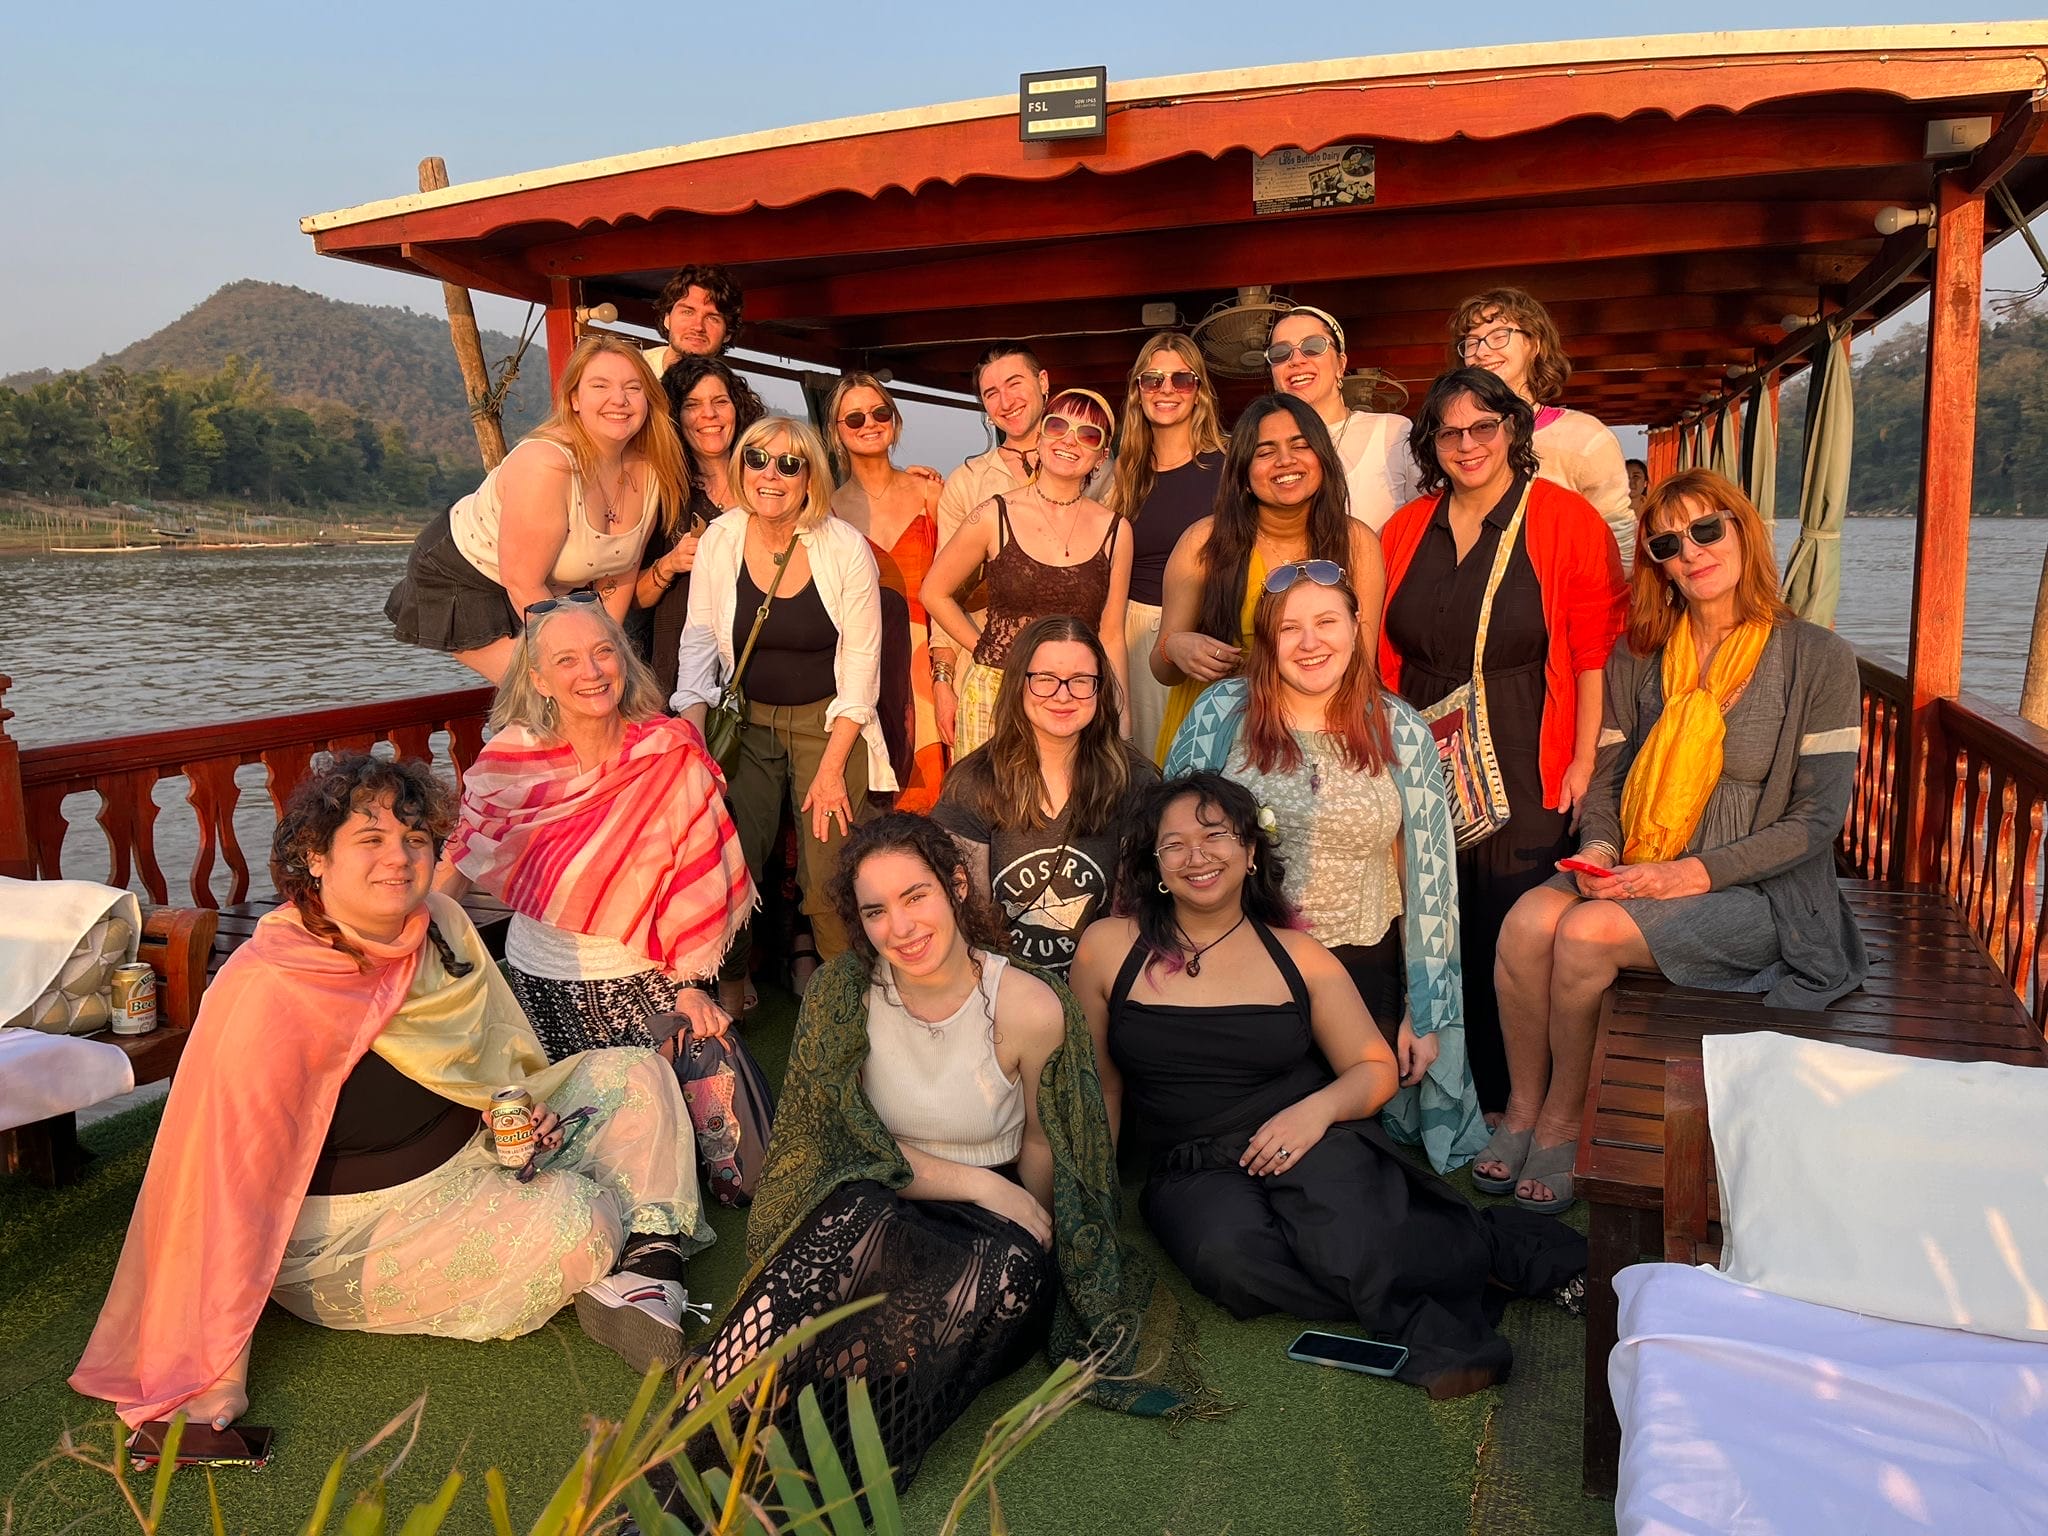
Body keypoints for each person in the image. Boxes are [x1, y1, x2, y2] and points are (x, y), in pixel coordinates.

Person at [70, 753, 717, 1435]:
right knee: (576, 1220)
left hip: (473, 1154)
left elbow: (495, 1064)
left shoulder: (439, 922)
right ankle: (623, 1243)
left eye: (414, 839)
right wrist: (216, 1372)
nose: (400, 858)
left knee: (635, 1073)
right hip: (356, 1229)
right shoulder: (272, 985)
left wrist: (520, 1117)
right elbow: (226, 1180)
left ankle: (650, 1264)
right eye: (370, 839)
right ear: (314, 857)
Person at [680, 813, 1206, 1494]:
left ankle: (818, 1481)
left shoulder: (1026, 1004)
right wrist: (977, 1185)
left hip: (984, 1235)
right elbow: (832, 1146)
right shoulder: (842, 994)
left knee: (1005, 1270)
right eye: (875, 910)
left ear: (957, 885)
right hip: (882, 1198)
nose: (900, 927)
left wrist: (1027, 1220)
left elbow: (1048, 1144)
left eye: (915, 895)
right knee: (855, 1212)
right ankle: (712, 1410)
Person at [1068, 775, 1585, 1401]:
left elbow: (1372, 1068)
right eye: (1173, 844)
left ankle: (1469, 1265)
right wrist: (1092, 1195)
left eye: (1215, 836)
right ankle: (1474, 1260)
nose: (1196, 856)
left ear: (1251, 851)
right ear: (1154, 864)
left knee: (1350, 1237)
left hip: (1311, 1133)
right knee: (1227, 1262)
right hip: (1191, 1163)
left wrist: (1312, 1115)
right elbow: (1102, 1086)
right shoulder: (1107, 949)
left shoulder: (1299, 954)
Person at [1483, 469, 1867, 1211]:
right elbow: (1606, 777)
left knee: (1586, 933)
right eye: (1667, 543)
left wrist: (1685, 874)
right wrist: (1597, 849)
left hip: (1759, 892)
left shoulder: (1818, 658)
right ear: (1655, 562)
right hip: (1634, 864)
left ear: (1742, 530)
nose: (1690, 552)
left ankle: (1566, 1124)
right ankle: (1524, 1109)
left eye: (1705, 529)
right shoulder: (1641, 654)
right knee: (1528, 921)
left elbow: (1817, 822)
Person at [435, 599, 775, 1205]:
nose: (590, 672)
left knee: (738, 1178)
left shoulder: (668, 751)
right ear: (537, 679)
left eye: (602, 652)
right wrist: (408, 940)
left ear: (624, 660)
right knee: (544, 1161)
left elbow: (700, 881)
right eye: (566, 660)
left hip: (643, 989)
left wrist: (692, 982)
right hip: (537, 993)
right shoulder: (511, 760)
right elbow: (462, 857)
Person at [1162, 564, 1485, 1171]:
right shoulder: (1220, 712)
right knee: (1245, 1131)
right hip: (1240, 963)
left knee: (1341, 1136)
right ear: (1267, 642)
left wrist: (1427, 1010)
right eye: (1289, 629)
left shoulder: (1401, 729)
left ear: (1357, 627)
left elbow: (1430, 880)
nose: (1310, 643)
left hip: (1358, 966)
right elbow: (1168, 838)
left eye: (1326, 622)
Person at [1379, 367, 1627, 1115]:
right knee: (1426, 904)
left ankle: (1511, 1094)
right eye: (1448, 432)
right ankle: (1432, 1074)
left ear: (1515, 430)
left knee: (1506, 912)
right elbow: (1380, 647)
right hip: (1420, 738)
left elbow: (1594, 653)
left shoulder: (1563, 519)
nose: (1466, 445)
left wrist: (1584, 759)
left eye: (1483, 427)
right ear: (1430, 445)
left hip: (1526, 737)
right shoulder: (1405, 527)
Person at [673, 415, 897, 1019]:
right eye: (757, 460)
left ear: (809, 478)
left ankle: (843, 999)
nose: (771, 475)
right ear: (742, 467)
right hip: (744, 723)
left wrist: (829, 770)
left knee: (829, 867)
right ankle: (728, 986)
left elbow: (860, 661)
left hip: (830, 724)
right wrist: (693, 736)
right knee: (731, 857)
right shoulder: (720, 538)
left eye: (789, 464)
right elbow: (698, 642)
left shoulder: (842, 545)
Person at [385, 335, 688, 684]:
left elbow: (620, 571)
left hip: (553, 587)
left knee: (603, 682)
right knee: (555, 692)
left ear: (649, 399)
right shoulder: (545, 464)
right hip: (464, 575)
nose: (618, 400)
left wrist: (608, 648)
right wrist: (581, 662)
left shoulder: (652, 470)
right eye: (600, 385)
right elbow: (523, 581)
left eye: (633, 388)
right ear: (574, 399)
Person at [1151, 393, 1385, 758]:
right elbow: (1163, 667)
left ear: (1323, 459)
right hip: (1216, 735)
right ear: (1243, 474)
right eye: (1265, 452)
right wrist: (1177, 647)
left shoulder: (1357, 543)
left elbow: (1362, 667)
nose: (1285, 461)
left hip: (1318, 738)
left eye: (1300, 445)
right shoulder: (1204, 542)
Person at [932, 616, 1158, 980]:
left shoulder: (1134, 780)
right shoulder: (973, 782)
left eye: (1081, 681)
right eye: (1045, 679)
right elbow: (969, 917)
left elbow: (1129, 915)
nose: (1063, 695)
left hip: (1102, 983)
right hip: (1002, 986)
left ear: (1100, 689)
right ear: (1019, 683)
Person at [922, 389, 1132, 757]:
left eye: (1088, 434)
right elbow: (934, 592)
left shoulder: (1116, 530)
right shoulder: (994, 515)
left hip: (1073, 701)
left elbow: (1112, 634)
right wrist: (982, 648)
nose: (1070, 440)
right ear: (1040, 437)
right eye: (1058, 425)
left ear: (1102, 456)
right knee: (985, 810)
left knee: (1067, 810)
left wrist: (1123, 720)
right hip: (995, 692)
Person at [829, 370, 948, 811]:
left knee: (932, 796)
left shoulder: (931, 493)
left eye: (879, 412)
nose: (869, 423)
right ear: (837, 433)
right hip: (865, 665)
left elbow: (961, 589)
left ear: (895, 421)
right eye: (853, 418)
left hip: (927, 664)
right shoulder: (827, 509)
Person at [1107, 333, 1227, 761]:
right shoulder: (1125, 471)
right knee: (1141, 766)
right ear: (1138, 392)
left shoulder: (1228, 467)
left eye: (1182, 379)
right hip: (1135, 633)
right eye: (1152, 379)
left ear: (1200, 393)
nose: (1166, 390)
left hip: (1206, 632)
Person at [1451, 288, 1636, 565]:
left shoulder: (1584, 437)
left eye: (1499, 336)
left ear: (1534, 344)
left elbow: (1618, 540)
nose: (1482, 351)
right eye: (1471, 342)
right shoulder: (1452, 442)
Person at [629, 357, 767, 698]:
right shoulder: (659, 491)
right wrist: (670, 563)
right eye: (693, 405)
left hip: (762, 662)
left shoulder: (767, 481)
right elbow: (631, 598)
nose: (709, 415)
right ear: (675, 416)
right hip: (679, 671)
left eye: (720, 402)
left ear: (738, 409)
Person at [1265, 305, 1418, 532]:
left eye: (1313, 347)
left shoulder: (1392, 432)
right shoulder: (1264, 451)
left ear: (1341, 364)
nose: (1296, 360)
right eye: (1280, 353)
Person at [643, 263, 742, 378]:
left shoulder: (732, 393)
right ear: (667, 318)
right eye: (688, 312)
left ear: (728, 333)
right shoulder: (632, 369)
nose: (698, 326)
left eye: (712, 318)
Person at [1626, 457, 1650, 523]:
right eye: (1626, 476)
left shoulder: (1653, 511)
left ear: (1645, 483)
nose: (1630, 481)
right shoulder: (1610, 511)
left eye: (1636, 476)